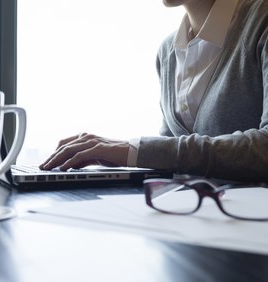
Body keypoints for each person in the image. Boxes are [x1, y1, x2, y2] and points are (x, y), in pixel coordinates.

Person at [40, 0, 268, 182]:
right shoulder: (168, 51)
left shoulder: (261, 22)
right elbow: (175, 156)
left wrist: (133, 151)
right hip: (193, 218)